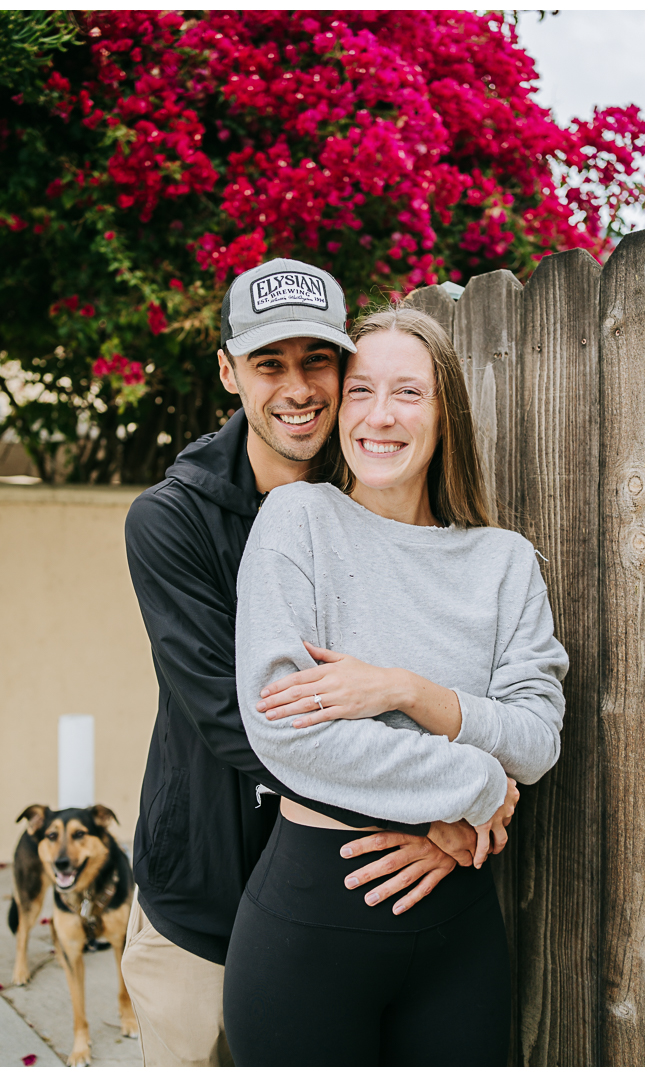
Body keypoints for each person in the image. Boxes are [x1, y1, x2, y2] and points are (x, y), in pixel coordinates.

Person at [121, 260, 480, 1067]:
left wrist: (480, 786)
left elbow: (455, 676)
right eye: (268, 363)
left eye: (317, 360)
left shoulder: (382, 496)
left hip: (352, 901)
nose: (298, 387)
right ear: (227, 371)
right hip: (204, 909)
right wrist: (441, 808)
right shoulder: (169, 523)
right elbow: (245, 722)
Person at [223, 305, 569, 1067]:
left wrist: (406, 690)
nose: (381, 416)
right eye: (362, 391)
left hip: (462, 933)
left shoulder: (503, 562)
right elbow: (286, 728)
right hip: (311, 929)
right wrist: (477, 784)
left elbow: (538, 740)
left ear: (447, 412)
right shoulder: (297, 520)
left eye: (409, 393)